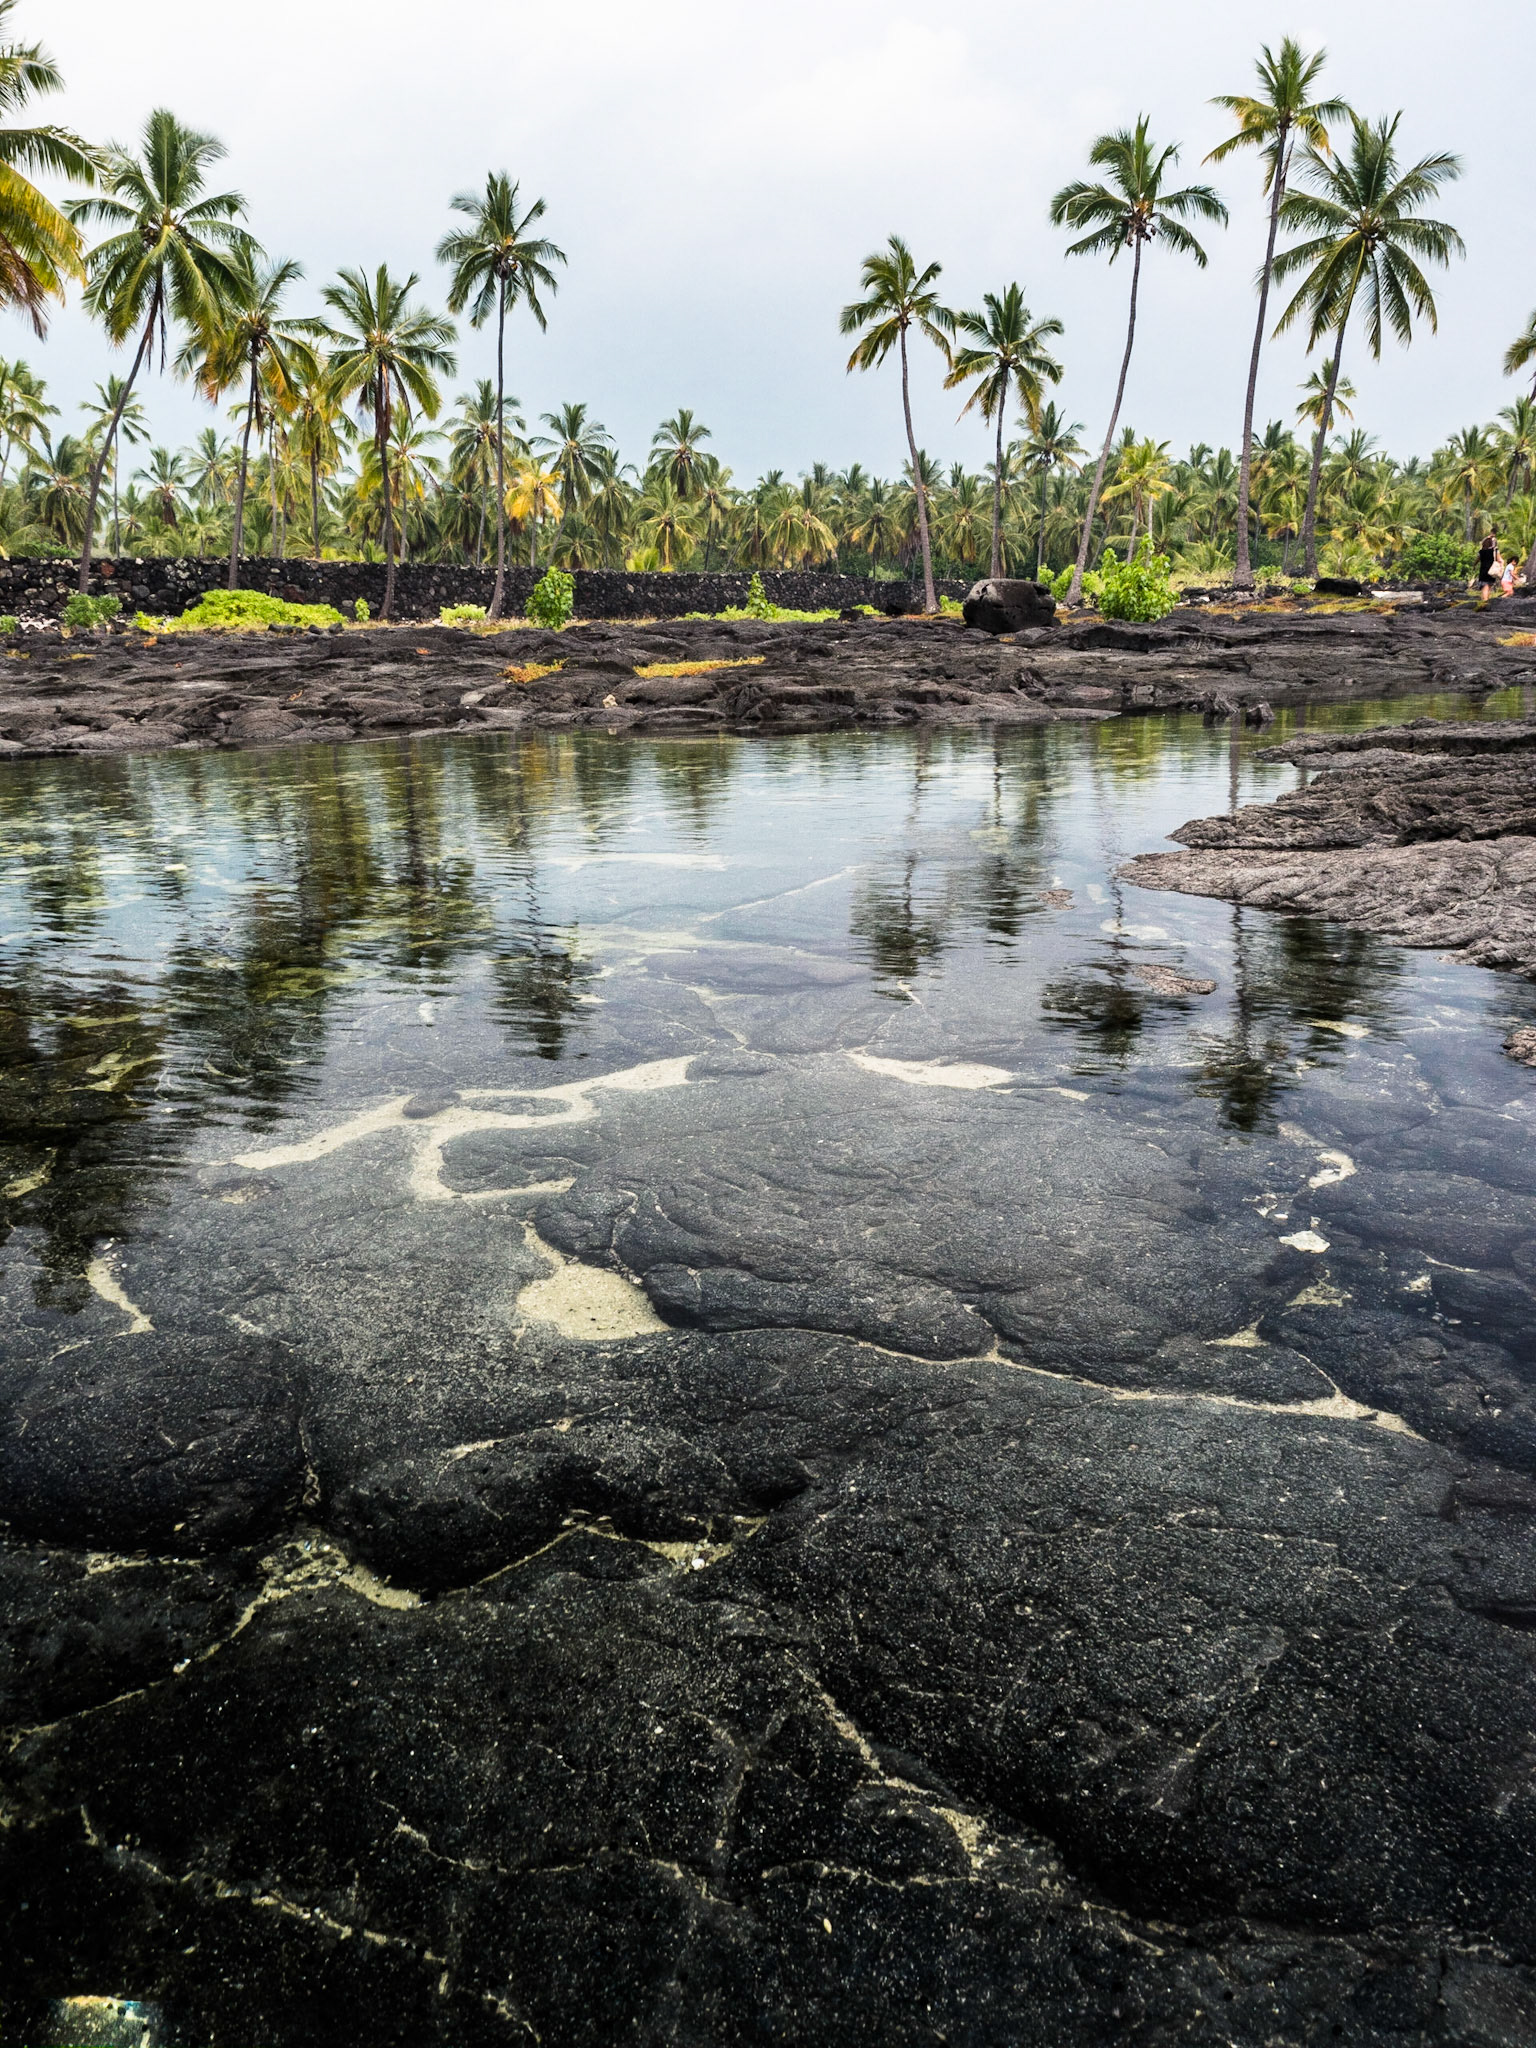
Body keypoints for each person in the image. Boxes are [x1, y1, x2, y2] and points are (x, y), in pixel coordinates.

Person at [1478, 530, 1498, 600]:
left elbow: (1477, 559)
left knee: (1485, 587)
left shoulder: (1481, 552)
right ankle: (1486, 600)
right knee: (1488, 587)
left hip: (1483, 571)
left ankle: (1485, 601)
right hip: (1491, 570)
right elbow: (1499, 559)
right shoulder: (1494, 551)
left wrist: (1474, 565)